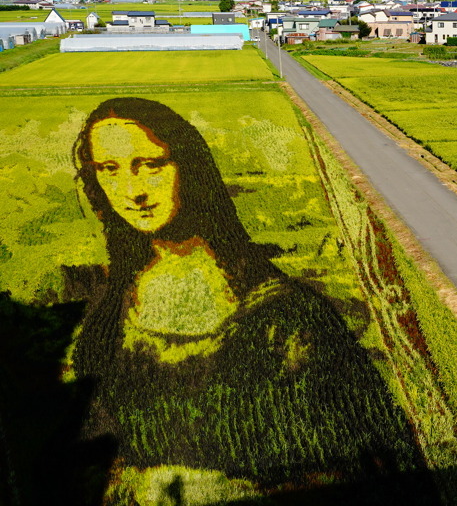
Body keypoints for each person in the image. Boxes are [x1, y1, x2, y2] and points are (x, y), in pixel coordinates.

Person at [70, 97, 430, 503]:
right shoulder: (108, 308)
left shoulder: (285, 313)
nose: (133, 191)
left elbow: (370, 459)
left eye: (151, 165)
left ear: (189, 167)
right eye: (110, 171)